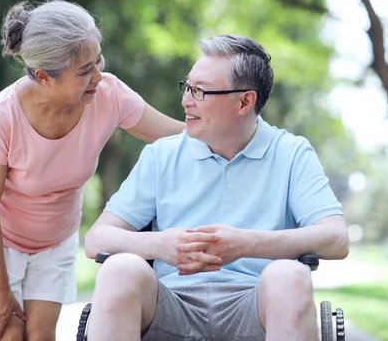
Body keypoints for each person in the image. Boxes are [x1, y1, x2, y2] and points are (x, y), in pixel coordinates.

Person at [84, 34, 350, 341]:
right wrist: (161, 246)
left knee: (290, 275)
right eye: (187, 87)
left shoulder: (291, 153)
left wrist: (245, 244)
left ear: (244, 101)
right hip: (171, 304)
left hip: (256, 306)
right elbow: (97, 239)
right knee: (119, 269)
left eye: (200, 92)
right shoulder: (162, 155)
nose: (185, 100)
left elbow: (336, 239)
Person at [0, 0, 185, 341]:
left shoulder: (109, 95)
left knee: (42, 335)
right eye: (84, 70)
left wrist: (229, 123)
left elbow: (175, 136)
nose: (98, 76)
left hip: (54, 237)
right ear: (44, 77)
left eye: (98, 60)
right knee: (10, 333)